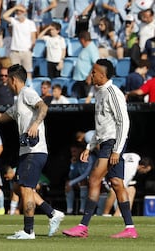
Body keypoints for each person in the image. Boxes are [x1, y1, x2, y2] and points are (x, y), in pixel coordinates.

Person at [0, 64, 64, 239]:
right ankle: (52, 213)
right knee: (19, 186)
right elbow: (1, 118)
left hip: (35, 150)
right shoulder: (19, 101)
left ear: (13, 79)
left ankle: (29, 231)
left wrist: (35, 124)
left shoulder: (27, 93)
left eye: (7, 78)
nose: (5, 82)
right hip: (27, 152)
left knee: (25, 188)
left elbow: (43, 107)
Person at [62, 58, 137, 238]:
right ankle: (130, 229)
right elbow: (101, 125)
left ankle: (83, 226)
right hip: (105, 142)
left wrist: (117, 150)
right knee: (117, 184)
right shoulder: (99, 93)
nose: (91, 74)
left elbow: (123, 123)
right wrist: (90, 146)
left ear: (102, 75)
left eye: (94, 72)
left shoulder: (113, 92)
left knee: (94, 178)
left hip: (113, 143)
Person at [3, 4, 36, 81]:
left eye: (21, 11)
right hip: (15, 52)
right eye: (18, 11)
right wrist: (15, 7)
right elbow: (4, 16)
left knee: (27, 72)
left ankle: (29, 88)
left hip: (26, 51)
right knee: (15, 73)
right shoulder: (14, 21)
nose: (19, 13)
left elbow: (33, 37)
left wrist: (31, 49)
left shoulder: (30, 23)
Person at [71, 31, 99, 99]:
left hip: (86, 80)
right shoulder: (84, 48)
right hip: (80, 79)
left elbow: (96, 63)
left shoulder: (92, 48)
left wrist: (90, 77)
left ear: (82, 39)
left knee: (86, 99)